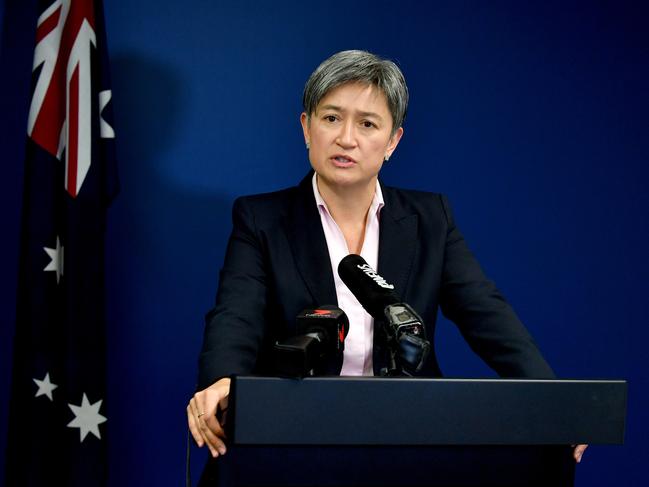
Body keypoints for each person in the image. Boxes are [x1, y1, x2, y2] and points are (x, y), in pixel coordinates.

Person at [187, 50, 587, 469]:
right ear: (306, 128)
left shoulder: (430, 219)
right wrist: (222, 382)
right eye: (330, 118)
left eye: (367, 124)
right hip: (295, 430)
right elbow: (235, 316)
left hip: (408, 433)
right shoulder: (261, 219)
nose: (346, 138)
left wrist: (551, 398)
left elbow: (487, 314)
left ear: (393, 140)